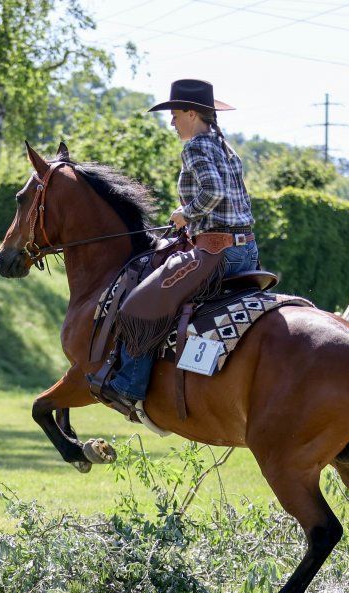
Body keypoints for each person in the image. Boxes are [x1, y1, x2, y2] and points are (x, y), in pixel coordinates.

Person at [100, 79, 259, 413]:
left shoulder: (196, 146)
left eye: (174, 114)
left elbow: (212, 193)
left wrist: (185, 214)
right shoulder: (224, 147)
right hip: (246, 250)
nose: (171, 122)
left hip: (216, 254)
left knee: (139, 305)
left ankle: (129, 385)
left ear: (191, 113)